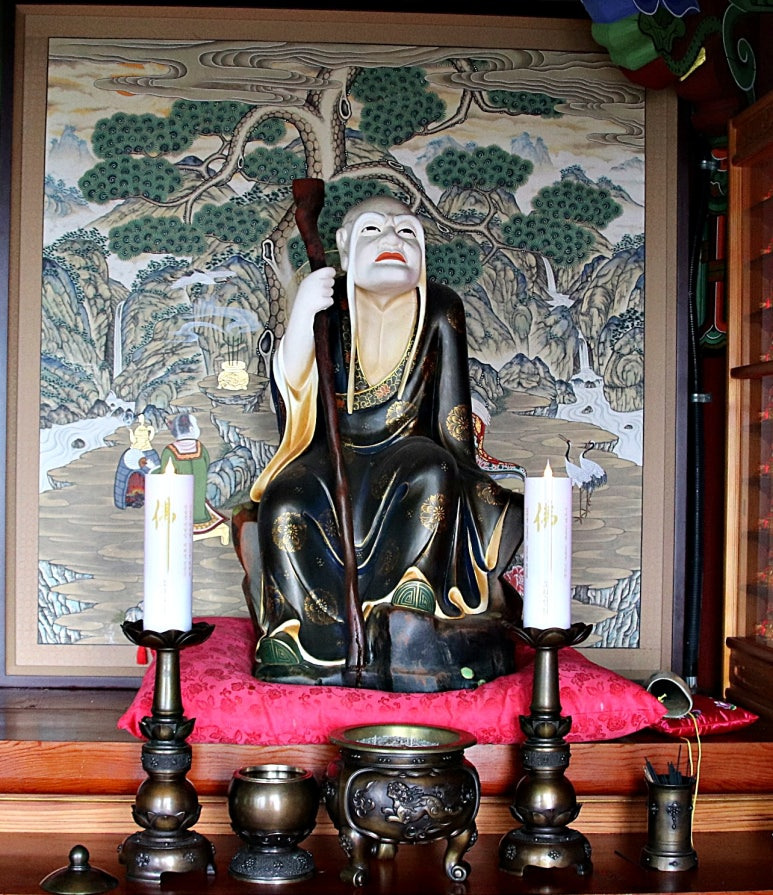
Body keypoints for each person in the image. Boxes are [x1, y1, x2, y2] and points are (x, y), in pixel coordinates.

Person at [234, 196, 523, 691]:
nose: (393, 240)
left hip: (410, 450)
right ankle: (298, 634)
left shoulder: (440, 308)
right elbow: (293, 389)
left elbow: (452, 410)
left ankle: (415, 590)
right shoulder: (330, 307)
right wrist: (304, 312)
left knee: (434, 472)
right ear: (344, 246)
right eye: (374, 230)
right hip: (332, 455)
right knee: (285, 500)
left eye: (407, 232)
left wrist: (463, 470)